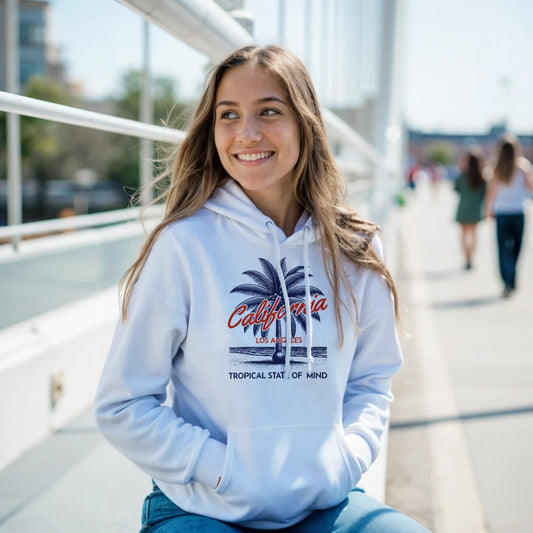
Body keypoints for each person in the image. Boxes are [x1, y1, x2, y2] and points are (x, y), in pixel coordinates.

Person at [94, 45, 430, 532]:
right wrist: (222, 469)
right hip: (203, 506)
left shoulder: (356, 248)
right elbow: (122, 404)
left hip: (323, 501)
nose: (246, 134)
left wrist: (345, 459)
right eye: (228, 115)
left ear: (305, 122)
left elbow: (371, 383)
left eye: (269, 111)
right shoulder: (184, 245)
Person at [484, 133, 533, 297]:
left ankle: (507, 279)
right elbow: (529, 188)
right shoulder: (523, 166)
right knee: (517, 247)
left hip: (502, 212)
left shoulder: (495, 167)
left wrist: (488, 210)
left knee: (502, 248)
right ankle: (512, 276)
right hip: (518, 211)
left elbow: (491, 193)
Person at [453, 147, 487, 269]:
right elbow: (485, 194)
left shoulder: (462, 176)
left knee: (463, 235)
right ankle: (471, 258)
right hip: (476, 210)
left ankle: (466, 257)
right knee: (473, 235)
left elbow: (456, 189)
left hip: (463, 209)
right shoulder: (483, 178)